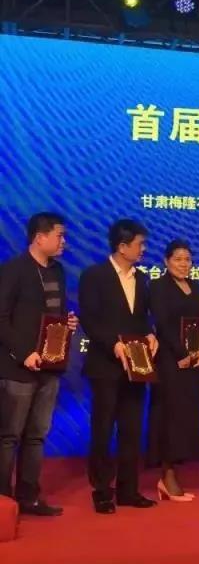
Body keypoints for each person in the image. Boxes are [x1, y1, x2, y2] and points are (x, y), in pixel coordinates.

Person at [0, 213, 78, 516]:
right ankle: (3, 503)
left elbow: (52, 315)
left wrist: (66, 325)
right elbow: (1, 319)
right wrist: (23, 353)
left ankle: (28, 497)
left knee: (36, 435)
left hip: (50, 365)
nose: (64, 242)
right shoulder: (14, 270)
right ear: (39, 237)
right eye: (59, 235)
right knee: (9, 436)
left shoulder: (57, 271)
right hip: (18, 367)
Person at [79, 219, 158, 514]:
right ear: (122, 246)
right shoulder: (94, 275)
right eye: (139, 244)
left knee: (131, 429)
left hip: (136, 366)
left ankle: (128, 490)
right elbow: (89, 319)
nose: (143, 249)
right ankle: (101, 490)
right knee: (103, 429)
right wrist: (113, 343)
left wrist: (150, 334)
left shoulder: (142, 278)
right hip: (105, 366)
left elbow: (143, 318)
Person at [147, 240, 199, 501]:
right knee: (169, 416)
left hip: (192, 364)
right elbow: (162, 324)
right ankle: (167, 475)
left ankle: (175, 469)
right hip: (170, 362)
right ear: (166, 261)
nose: (184, 264)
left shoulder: (195, 287)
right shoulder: (158, 287)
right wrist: (181, 354)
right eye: (178, 259)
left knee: (187, 416)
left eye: (188, 259)